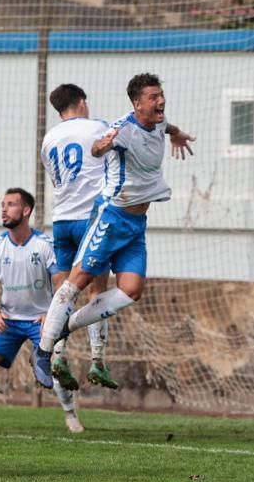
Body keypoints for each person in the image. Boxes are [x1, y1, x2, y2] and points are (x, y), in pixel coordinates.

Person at [33, 73, 194, 382]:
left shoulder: (157, 121)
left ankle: (66, 328)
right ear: (136, 104)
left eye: (161, 95)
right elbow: (97, 148)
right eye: (153, 97)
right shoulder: (121, 128)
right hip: (110, 216)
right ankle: (43, 351)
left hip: (134, 223)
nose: (160, 101)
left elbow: (165, 125)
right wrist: (101, 147)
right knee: (76, 282)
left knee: (132, 289)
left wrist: (176, 133)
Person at [0, 188, 84, 433]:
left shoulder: (45, 245)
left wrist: (52, 314)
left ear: (26, 211)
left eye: (11, 204)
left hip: (41, 320)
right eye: (3, 204)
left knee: (56, 364)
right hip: (10, 320)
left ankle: (71, 416)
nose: (4, 209)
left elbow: (61, 282)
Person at [40, 83, 119, 390]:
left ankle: (57, 355)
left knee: (63, 292)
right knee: (96, 292)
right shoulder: (97, 127)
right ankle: (97, 360)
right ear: (82, 103)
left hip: (61, 220)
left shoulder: (49, 139)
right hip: (90, 220)